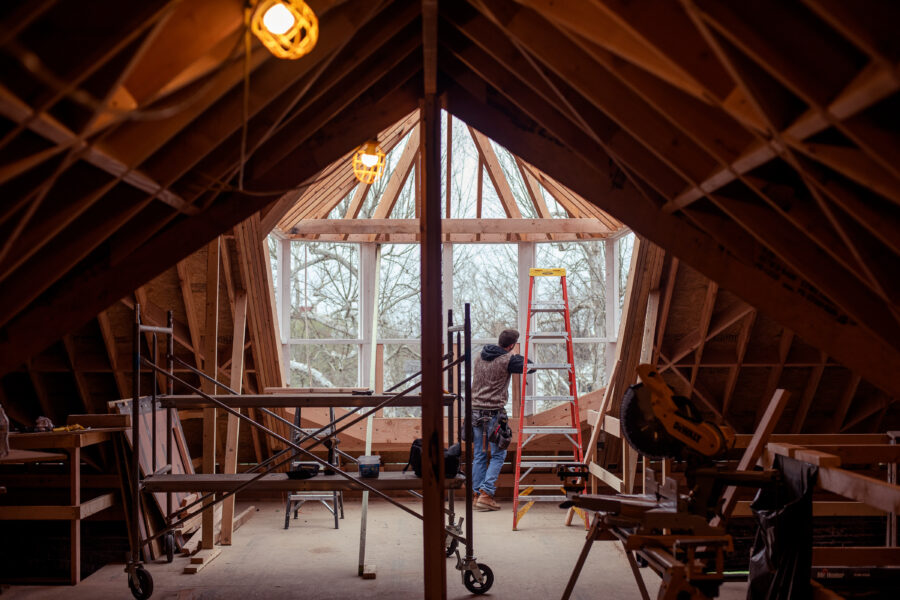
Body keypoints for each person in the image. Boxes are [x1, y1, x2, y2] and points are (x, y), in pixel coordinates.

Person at [471, 328, 532, 511]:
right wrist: (515, 355)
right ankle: (486, 493)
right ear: (512, 345)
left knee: (479, 455)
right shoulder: (508, 360)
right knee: (499, 454)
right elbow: (530, 366)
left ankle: (476, 494)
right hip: (494, 414)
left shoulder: (479, 356)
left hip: (474, 412)